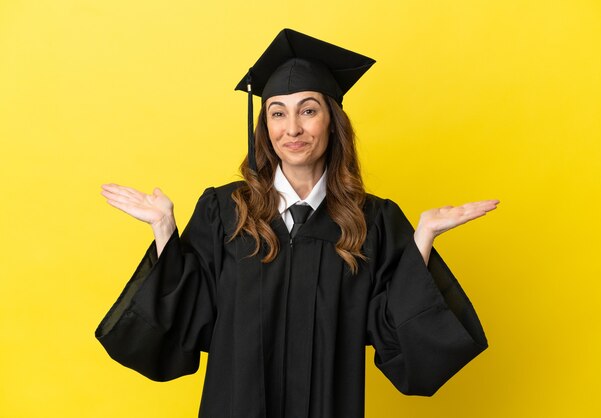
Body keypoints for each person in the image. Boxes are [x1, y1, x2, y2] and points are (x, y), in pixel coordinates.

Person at [96, 29, 499, 418]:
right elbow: (187, 318)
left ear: (332, 121)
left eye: (308, 110)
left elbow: (398, 339)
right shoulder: (225, 210)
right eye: (278, 113)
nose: (292, 128)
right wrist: (165, 229)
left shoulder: (373, 222)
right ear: (265, 126)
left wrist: (422, 239)